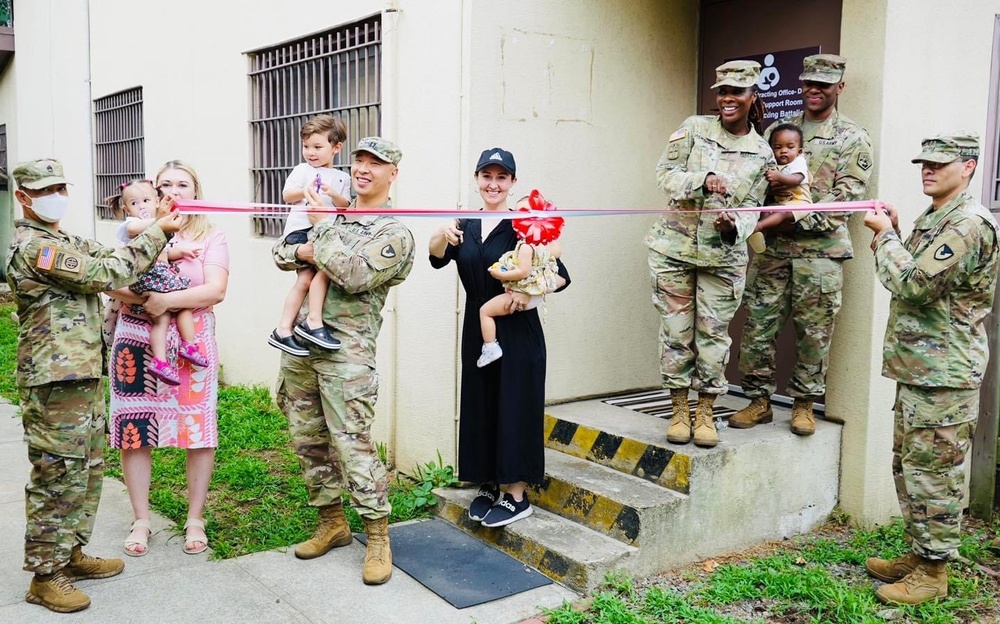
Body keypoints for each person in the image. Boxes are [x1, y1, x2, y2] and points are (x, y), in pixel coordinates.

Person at [6, 158, 182, 613]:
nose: (54, 195)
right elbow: (105, 275)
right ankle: (45, 575)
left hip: (82, 373)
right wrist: (158, 232)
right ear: (23, 197)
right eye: (44, 190)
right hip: (53, 379)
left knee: (86, 469)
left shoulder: (65, 239)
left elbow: (108, 258)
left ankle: (71, 554)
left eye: (60, 186)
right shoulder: (35, 248)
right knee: (57, 473)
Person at [861, 134, 997, 605]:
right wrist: (898, 227)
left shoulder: (967, 225)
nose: (928, 169)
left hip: (945, 374)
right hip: (922, 368)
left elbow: (915, 284)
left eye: (940, 163)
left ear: (970, 167)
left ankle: (934, 574)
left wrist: (883, 236)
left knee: (935, 472)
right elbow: (919, 263)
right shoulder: (940, 216)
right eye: (924, 162)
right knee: (911, 466)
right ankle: (921, 556)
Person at [273, 137, 414, 585]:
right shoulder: (331, 207)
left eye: (377, 163)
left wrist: (323, 232)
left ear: (393, 174)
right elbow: (282, 250)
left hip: (347, 353)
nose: (364, 169)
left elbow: (354, 275)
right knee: (307, 439)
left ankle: (377, 535)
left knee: (352, 445)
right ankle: (332, 521)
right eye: (359, 160)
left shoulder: (395, 232)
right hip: (302, 347)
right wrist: (307, 245)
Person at [732, 54, 874, 435]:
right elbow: (756, 182)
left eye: (823, 85)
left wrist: (788, 217)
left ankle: (803, 404)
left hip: (821, 254)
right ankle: (759, 401)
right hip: (774, 253)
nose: (814, 91)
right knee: (758, 326)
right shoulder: (780, 130)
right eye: (809, 83)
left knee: (815, 333)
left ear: (838, 88)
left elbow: (846, 201)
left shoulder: (853, 138)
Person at [429, 148, 571, 528]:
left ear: (512, 183)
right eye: (486, 176)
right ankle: (489, 483)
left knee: (515, 406)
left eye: (501, 177)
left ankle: (517, 494)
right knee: (482, 404)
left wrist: (530, 295)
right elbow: (436, 257)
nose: (493, 184)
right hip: (478, 323)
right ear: (477, 180)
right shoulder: (465, 223)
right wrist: (440, 234)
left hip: (517, 325)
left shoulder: (525, 224)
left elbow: (561, 275)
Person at [649, 60, 775, 449]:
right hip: (675, 250)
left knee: (713, 336)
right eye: (722, 92)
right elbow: (665, 175)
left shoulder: (762, 154)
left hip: (723, 259)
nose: (727, 99)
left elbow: (753, 209)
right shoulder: (693, 128)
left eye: (736, 92)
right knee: (675, 333)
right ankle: (678, 410)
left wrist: (732, 226)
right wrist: (700, 181)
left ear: (753, 95)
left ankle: (705, 411)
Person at [107, 160, 230, 559]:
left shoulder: (212, 236)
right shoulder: (139, 231)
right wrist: (148, 301)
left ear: (197, 191)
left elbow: (215, 290)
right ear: (154, 193)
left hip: (192, 341)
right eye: (165, 185)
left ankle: (196, 517)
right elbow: (113, 279)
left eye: (183, 184)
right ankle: (141, 518)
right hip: (136, 339)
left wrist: (166, 301)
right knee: (135, 431)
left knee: (198, 430)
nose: (174, 191)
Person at [109, 178, 209, 384]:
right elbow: (139, 229)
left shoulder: (160, 227)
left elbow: (163, 252)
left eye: (145, 200)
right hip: (149, 275)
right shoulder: (130, 225)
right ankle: (189, 345)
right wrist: (162, 220)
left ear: (156, 201)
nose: (141, 206)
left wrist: (181, 250)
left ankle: (161, 361)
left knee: (162, 319)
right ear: (127, 209)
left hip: (159, 275)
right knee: (183, 304)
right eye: (134, 203)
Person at [269, 114, 352, 357]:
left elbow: (345, 205)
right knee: (321, 272)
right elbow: (287, 195)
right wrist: (304, 191)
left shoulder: (342, 177)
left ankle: (284, 328)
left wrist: (333, 194)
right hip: (301, 231)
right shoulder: (302, 170)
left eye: (317, 147)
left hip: (324, 230)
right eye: (306, 146)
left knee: (309, 279)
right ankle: (313, 322)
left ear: (336, 147)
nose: (310, 152)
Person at [477, 195, 565, 368]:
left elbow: (524, 271)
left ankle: (490, 347)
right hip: (531, 294)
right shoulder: (542, 246)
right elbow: (556, 252)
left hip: (523, 297)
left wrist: (500, 275)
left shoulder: (526, 246)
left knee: (485, 311)